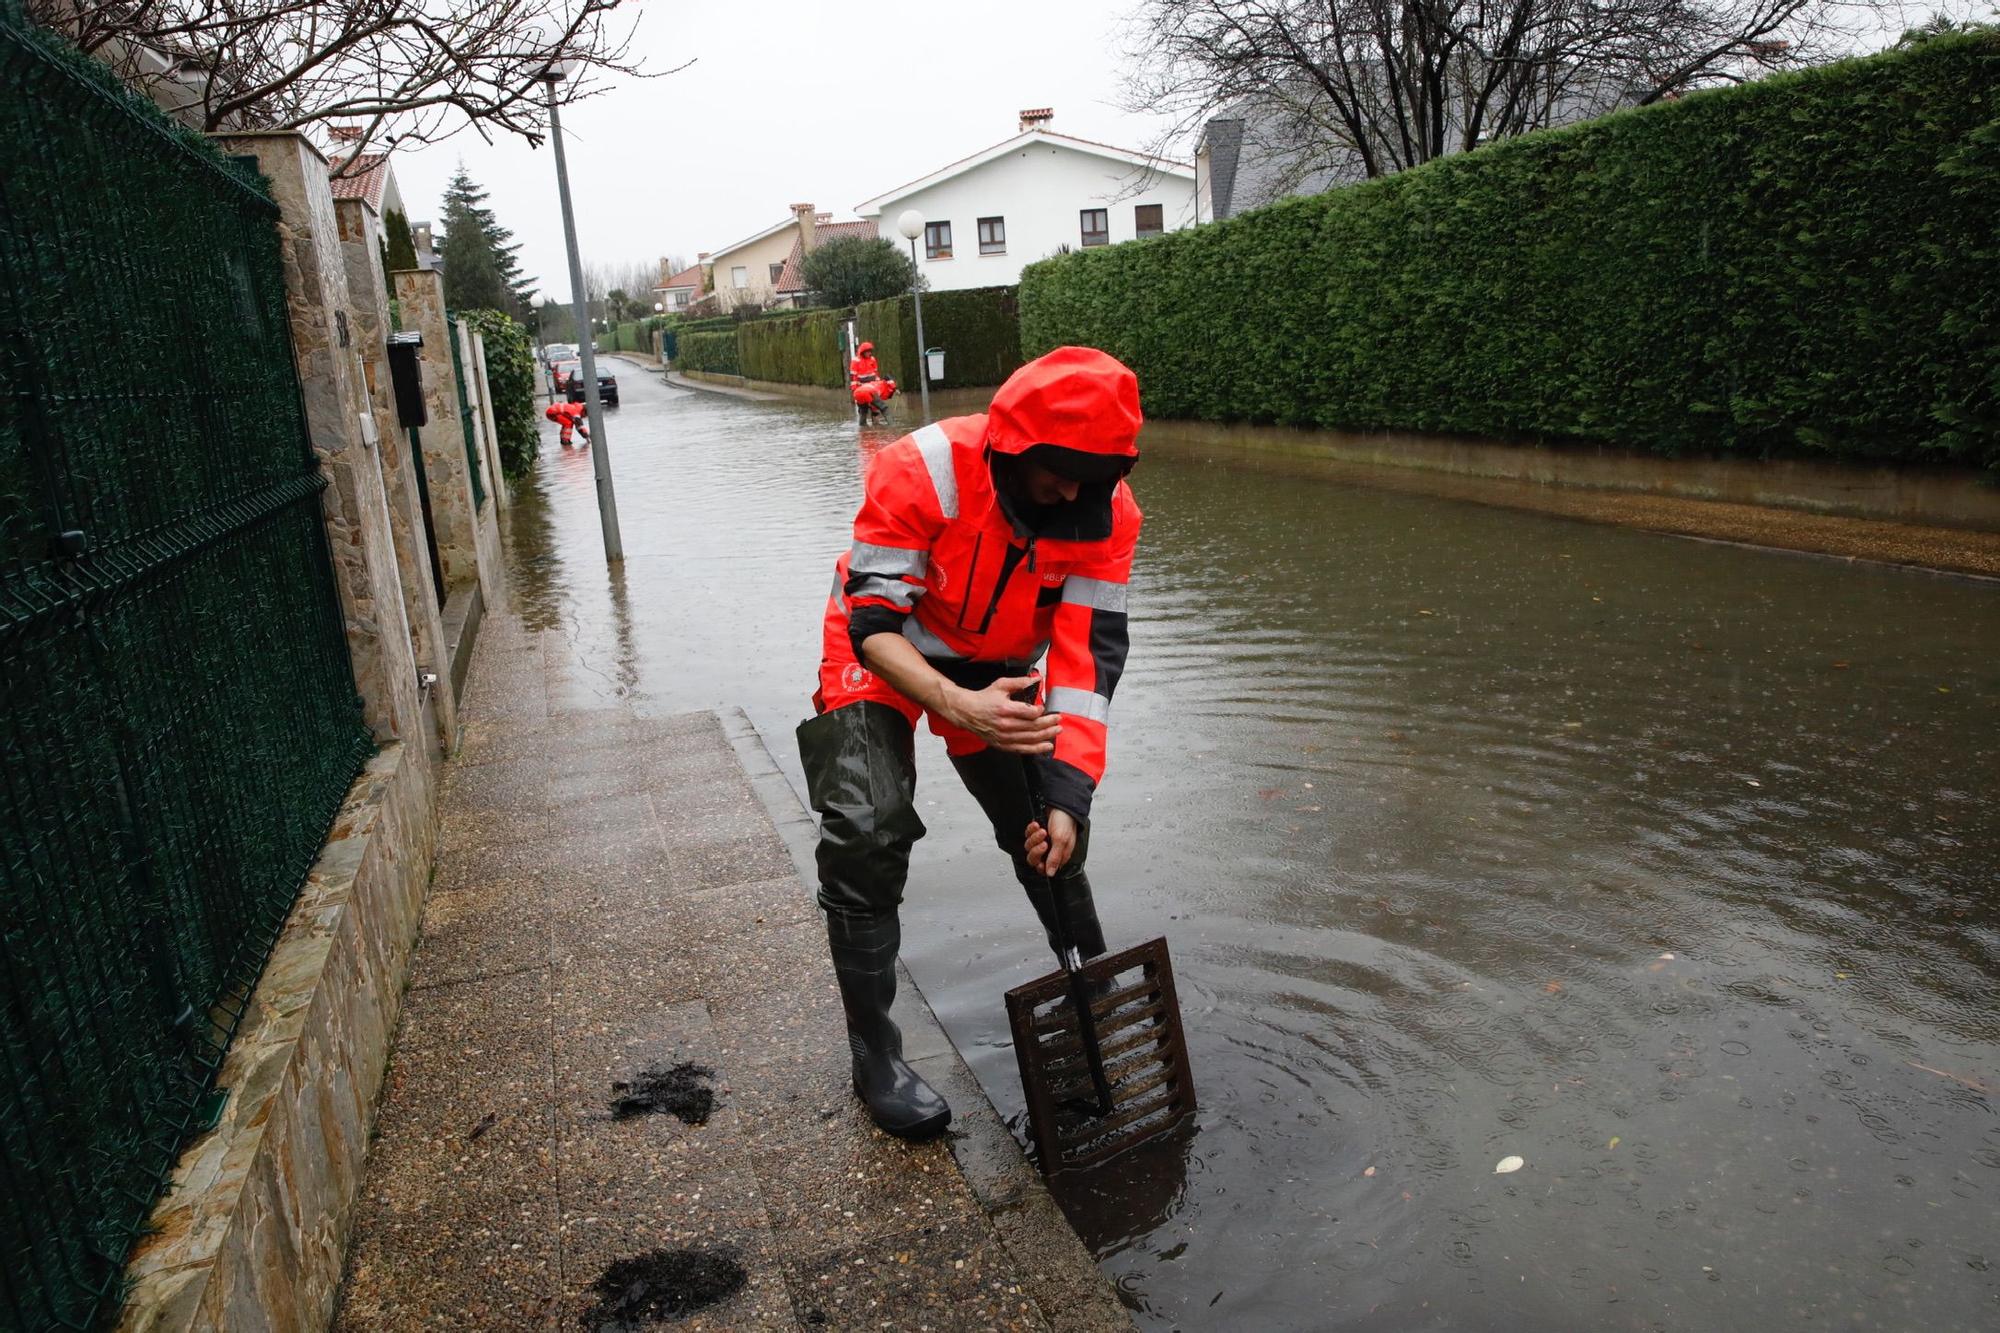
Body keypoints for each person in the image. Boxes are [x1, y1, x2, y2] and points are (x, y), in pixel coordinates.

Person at [796, 346, 1143, 1139]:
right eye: (1057, 475)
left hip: (1002, 665)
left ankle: (1091, 981)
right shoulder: (923, 467)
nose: (1071, 495)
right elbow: (873, 623)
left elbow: (1087, 666)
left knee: (1053, 833)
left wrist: (1068, 794)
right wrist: (962, 706)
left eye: (1091, 480)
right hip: (886, 650)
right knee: (866, 824)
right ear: (1013, 451)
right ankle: (875, 1055)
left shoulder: (1109, 512)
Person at [849, 341, 893, 420]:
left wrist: (878, 384)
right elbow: (853, 377)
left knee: (875, 406)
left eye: (870, 351)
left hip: (873, 386)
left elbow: (876, 373)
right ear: (863, 352)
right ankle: (864, 425)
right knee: (863, 408)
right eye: (867, 351)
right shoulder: (855, 361)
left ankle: (875, 423)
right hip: (861, 386)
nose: (869, 353)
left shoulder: (872, 359)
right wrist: (854, 389)